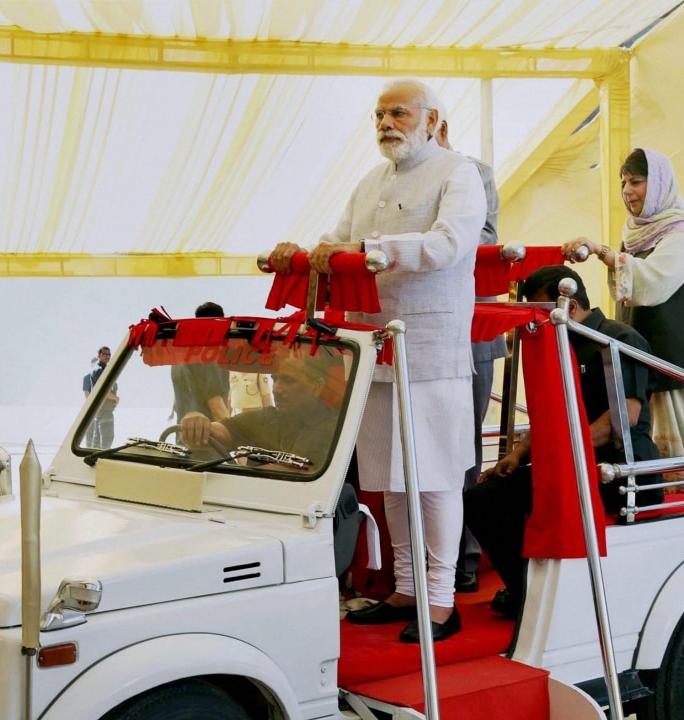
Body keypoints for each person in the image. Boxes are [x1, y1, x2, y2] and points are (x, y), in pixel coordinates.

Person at [270, 78, 485, 643]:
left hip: (431, 352)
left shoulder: (458, 173)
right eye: (379, 115)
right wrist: (305, 253)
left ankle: (441, 601)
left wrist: (367, 252)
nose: (386, 124)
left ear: (434, 120)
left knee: (434, 478)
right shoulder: (370, 181)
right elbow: (337, 239)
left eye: (399, 113)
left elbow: (446, 247)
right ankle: (408, 588)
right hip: (374, 349)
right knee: (390, 478)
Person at [464, 265, 663, 619]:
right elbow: (555, 415)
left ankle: (548, 600)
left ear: (568, 306)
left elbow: (625, 416)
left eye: (541, 312)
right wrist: (521, 453)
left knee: (541, 492)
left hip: (619, 472)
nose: (537, 321)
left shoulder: (618, 337)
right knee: (483, 499)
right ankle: (526, 592)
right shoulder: (554, 343)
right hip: (569, 464)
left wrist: (559, 453)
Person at [561, 148, 684, 475]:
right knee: (644, 458)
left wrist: (601, 251)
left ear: (660, 184)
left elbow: (653, 282)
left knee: (681, 466)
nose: (627, 191)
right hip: (641, 366)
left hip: (675, 367)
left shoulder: (682, 232)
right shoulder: (633, 232)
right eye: (623, 183)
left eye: (636, 181)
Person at [436, 107, 501, 594]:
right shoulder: (386, 182)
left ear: (437, 126)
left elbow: (484, 237)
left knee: (467, 447)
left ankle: (467, 555)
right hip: (416, 335)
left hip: (471, 327)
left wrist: (423, 243)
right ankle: (424, 559)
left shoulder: (474, 173)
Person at [180, 351, 343, 472]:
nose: (276, 389)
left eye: (288, 380)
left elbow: (296, 470)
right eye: (274, 379)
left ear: (317, 386)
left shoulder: (333, 427)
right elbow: (221, 433)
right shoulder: (268, 417)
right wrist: (197, 423)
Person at [171, 302, 231, 422]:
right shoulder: (206, 356)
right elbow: (216, 407)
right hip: (207, 437)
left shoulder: (181, 355)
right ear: (220, 322)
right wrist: (234, 436)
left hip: (183, 436)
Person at [83, 347, 119, 449]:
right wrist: (116, 399)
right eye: (104, 354)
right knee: (106, 441)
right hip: (104, 411)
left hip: (101, 410)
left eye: (109, 354)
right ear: (99, 355)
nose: (107, 356)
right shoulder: (99, 370)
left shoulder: (102, 369)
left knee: (97, 441)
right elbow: (103, 391)